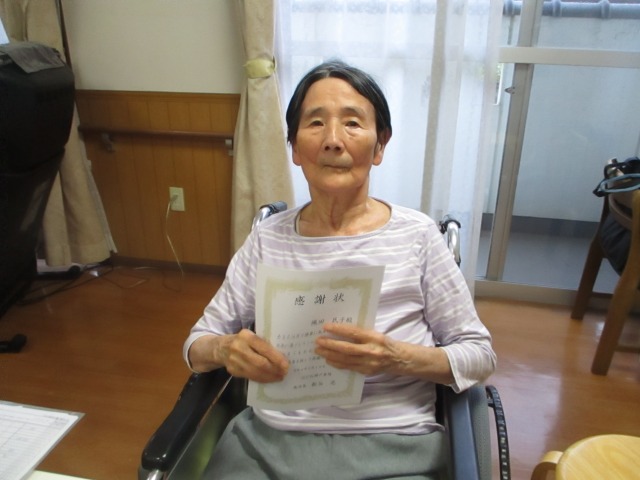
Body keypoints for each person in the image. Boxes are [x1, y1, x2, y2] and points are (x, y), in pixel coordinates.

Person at [184, 60, 496, 480]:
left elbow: (479, 355)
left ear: (380, 145)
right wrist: (225, 350)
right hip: (270, 445)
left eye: (352, 123)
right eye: (315, 123)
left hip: (395, 449)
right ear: (295, 148)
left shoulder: (418, 236)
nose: (333, 140)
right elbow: (197, 343)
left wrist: (396, 358)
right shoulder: (268, 239)